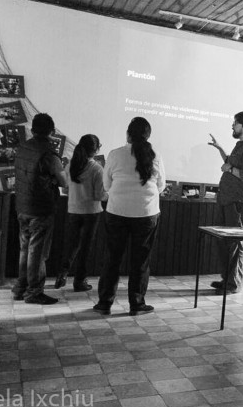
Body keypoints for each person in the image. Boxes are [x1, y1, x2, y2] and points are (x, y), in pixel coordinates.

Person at [94, 117, 165, 316]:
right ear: (148, 135)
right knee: (140, 260)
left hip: (117, 212)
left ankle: (104, 303)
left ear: (128, 134)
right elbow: (160, 185)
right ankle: (137, 304)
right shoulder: (155, 155)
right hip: (146, 213)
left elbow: (106, 185)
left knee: (112, 258)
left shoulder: (115, 154)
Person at [11, 113, 68, 305]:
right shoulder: (49, 154)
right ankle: (34, 291)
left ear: (32, 129)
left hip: (22, 205)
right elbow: (63, 181)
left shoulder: (22, 147)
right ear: (52, 131)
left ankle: (20, 288)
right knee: (37, 251)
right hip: (40, 208)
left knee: (24, 248)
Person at [207, 111, 243, 294]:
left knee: (235, 243)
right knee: (224, 242)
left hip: (238, 202)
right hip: (226, 200)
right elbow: (230, 163)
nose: (232, 125)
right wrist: (220, 148)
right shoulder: (241, 145)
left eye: (236, 123)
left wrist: (229, 168)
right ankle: (227, 280)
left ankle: (233, 284)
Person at [55, 134, 107, 292]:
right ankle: (79, 282)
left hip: (73, 210)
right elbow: (99, 195)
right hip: (91, 212)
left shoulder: (70, 165)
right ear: (96, 150)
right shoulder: (97, 169)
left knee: (71, 245)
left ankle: (62, 274)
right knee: (85, 247)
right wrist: (110, 194)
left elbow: (65, 189)